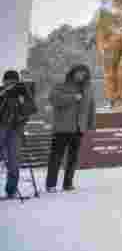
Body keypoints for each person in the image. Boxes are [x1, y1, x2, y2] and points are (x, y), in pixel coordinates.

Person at [45, 64, 96, 193]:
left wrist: (90, 124)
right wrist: (72, 98)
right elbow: (53, 99)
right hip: (62, 128)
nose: (81, 75)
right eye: (79, 72)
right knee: (56, 157)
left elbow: (91, 107)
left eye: (84, 73)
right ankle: (51, 184)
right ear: (72, 72)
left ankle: (68, 184)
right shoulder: (61, 85)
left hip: (79, 128)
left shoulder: (88, 88)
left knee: (73, 159)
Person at [1, 70, 37, 199]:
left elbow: (32, 109)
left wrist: (22, 100)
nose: (11, 83)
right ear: (4, 81)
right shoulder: (2, 92)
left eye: (13, 81)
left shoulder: (23, 91)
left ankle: (11, 190)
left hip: (16, 129)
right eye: (8, 81)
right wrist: (4, 94)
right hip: (1, 128)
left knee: (14, 160)